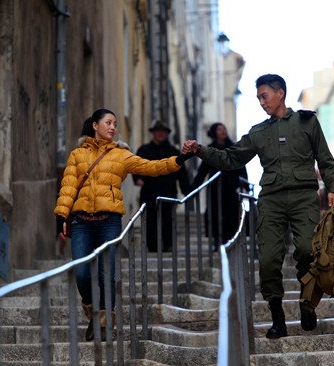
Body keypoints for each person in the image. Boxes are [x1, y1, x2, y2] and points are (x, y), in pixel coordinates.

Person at [182, 74, 334, 339]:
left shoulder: (307, 122)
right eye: (258, 98)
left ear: (280, 93)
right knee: (267, 260)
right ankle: (277, 317)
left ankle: (307, 304)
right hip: (272, 200)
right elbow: (230, 158)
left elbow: (325, 158)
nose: (261, 102)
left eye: (264, 96)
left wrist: (333, 188)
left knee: (306, 250)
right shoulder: (258, 132)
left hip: (304, 197)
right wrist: (200, 150)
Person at [54, 108, 193, 341]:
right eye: (108, 123)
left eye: (115, 124)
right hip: (81, 222)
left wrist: (179, 159)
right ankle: (92, 312)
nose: (113, 127)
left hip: (109, 221)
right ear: (95, 126)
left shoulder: (121, 155)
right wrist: (61, 217)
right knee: (81, 273)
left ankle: (107, 320)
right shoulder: (77, 155)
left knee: (106, 274)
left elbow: (152, 167)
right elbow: (68, 188)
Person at [132, 120, 190, 252]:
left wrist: (186, 190)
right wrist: (138, 179)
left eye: (163, 132)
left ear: (166, 134)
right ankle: (152, 248)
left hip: (168, 192)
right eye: (157, 132)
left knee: (168, 221)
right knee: (150, 221)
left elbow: (182, 174)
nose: (160, 134)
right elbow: (135, 166)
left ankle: (168, 245)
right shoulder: (144, 150)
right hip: (149, 192)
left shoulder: (174, 151)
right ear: (153, 133)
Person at [191, 122, 248, 249]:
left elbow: (241, 167)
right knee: (214, 214)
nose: (222, 131)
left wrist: (246, 186)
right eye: (219, 129)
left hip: (231, 188)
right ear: (214, 132)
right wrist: (192, 188)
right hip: (215, 188)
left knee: (231, 214)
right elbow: (202, 171)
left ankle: (230, 242)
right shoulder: (210, 149)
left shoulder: (234, 148)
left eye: (224, 128)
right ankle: (217, 241)